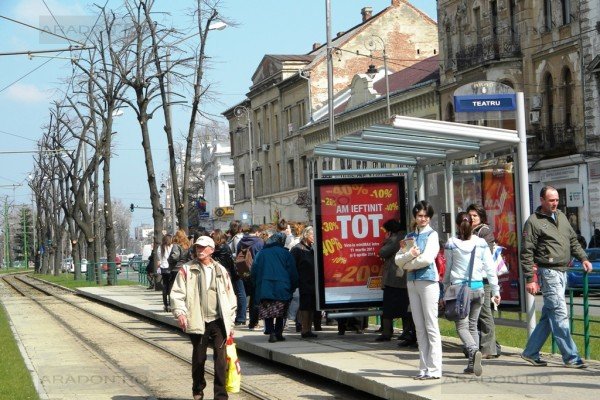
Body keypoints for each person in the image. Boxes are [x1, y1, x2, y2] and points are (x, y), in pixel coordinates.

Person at [520, 186, 592, 369]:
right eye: (551, 200)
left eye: (557, 200)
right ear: (542, 200)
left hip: (563, 271)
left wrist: (583, 258)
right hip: (548, 272)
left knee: (549, 314)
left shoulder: (561, 216)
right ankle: (571, 356)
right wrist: (530, 278)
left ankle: (530, 352)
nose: (555, 203)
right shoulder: (533, 222)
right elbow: (526, 252)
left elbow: (573, 240)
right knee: (560, 314)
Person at [170, 236, 237, 400]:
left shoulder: (221, 270)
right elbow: (177, 294)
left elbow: (230, 297)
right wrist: (180, 313)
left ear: (211, 250)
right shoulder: (187, 269)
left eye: (203, 247)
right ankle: (198, 388)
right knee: (199, 358)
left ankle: (220, 396)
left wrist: (231, 322)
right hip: (197, 320)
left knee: (221, 361)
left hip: (218, 321)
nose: (199, 250)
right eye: (197, 247)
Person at [444, 212, 501, 376]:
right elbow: (490, 269)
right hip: (478, 290)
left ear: (457, 225)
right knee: (473, 325)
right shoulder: (481, 243)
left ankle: (473, 350)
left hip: (460, 291)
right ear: (472, 224)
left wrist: (445, 289)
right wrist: (496, 291)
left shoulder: (452, 244)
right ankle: (472, 364)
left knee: (461, 326)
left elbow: (448, 270)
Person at [394, 200, 442, 380]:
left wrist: (408, 265)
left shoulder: (432, 235)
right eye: (420, 215)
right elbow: (398, 259)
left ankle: (435, 368)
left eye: (426, 216)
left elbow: (428, 259)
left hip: (428, 281)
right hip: (412, 283)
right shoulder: (409, 237)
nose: (423, 219)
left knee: (431, 325)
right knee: (419, 327)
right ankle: (423, 367)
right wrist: (409, 256)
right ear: (415, 216)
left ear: (430, 217)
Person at [251, 231, 298, 343]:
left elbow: (254, 271)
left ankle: (271, 332)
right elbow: (292, 272)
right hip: (283, 287)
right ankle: (279, 333)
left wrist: (256, 285)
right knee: (281, 311)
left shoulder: (261, 253)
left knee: (268, 311)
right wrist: (294, 285)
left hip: (265, 286)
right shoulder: (286, 254)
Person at [466, 203, 500, 359]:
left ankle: (489, 348)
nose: (472, 218)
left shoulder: (484, 231)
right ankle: (485, 345)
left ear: (481, 217)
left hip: (484, 278)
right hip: (471, 277)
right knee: (475, 314)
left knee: (485, 312)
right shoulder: (468, 230)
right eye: (470, 215)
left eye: (475, 216)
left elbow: (485, 253)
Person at [376, 219, 415, 344]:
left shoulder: (395, 238)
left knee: (388, 307)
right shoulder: (406, 236)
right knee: (405, 307)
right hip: (404, 278)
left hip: (394, 279)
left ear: (390, 230)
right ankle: (406, 331)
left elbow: (383, 252)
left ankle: (387, 332)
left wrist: (386, 240)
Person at [211, 229, 247, 327]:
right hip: (231, 273)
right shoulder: (225, 247)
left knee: (226, 296)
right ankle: (241, 317)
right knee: (240, 293)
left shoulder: (214, 249)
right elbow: (231, 262)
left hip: (222, 274)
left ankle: (230, 317)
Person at [290, 226, 319, 338]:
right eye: (312, 235)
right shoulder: (297, 249)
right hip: (302, 283)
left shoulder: (312, 249)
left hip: (312, 282)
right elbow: (292, 267)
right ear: (306, 235)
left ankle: (309, 329)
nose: (314, 238)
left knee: (311, 307)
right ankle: (304, 329)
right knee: (305, 307)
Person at [237, 224, 265, 330]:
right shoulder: (259, 242)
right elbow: (262, 258)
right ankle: (254, 323)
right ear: (257, 232)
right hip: (255, 272)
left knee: (243, 296)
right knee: (255, 298)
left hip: (243, 271)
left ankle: (241, 317)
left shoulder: (241, 241)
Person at [157, 234, 173, 311]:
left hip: (163, 268)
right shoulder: (172, 246)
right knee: (170, 286)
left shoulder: (160, 248)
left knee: (165, 286)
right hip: (170, 268)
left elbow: (159, 258)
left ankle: (165, 304)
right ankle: (170, 304)